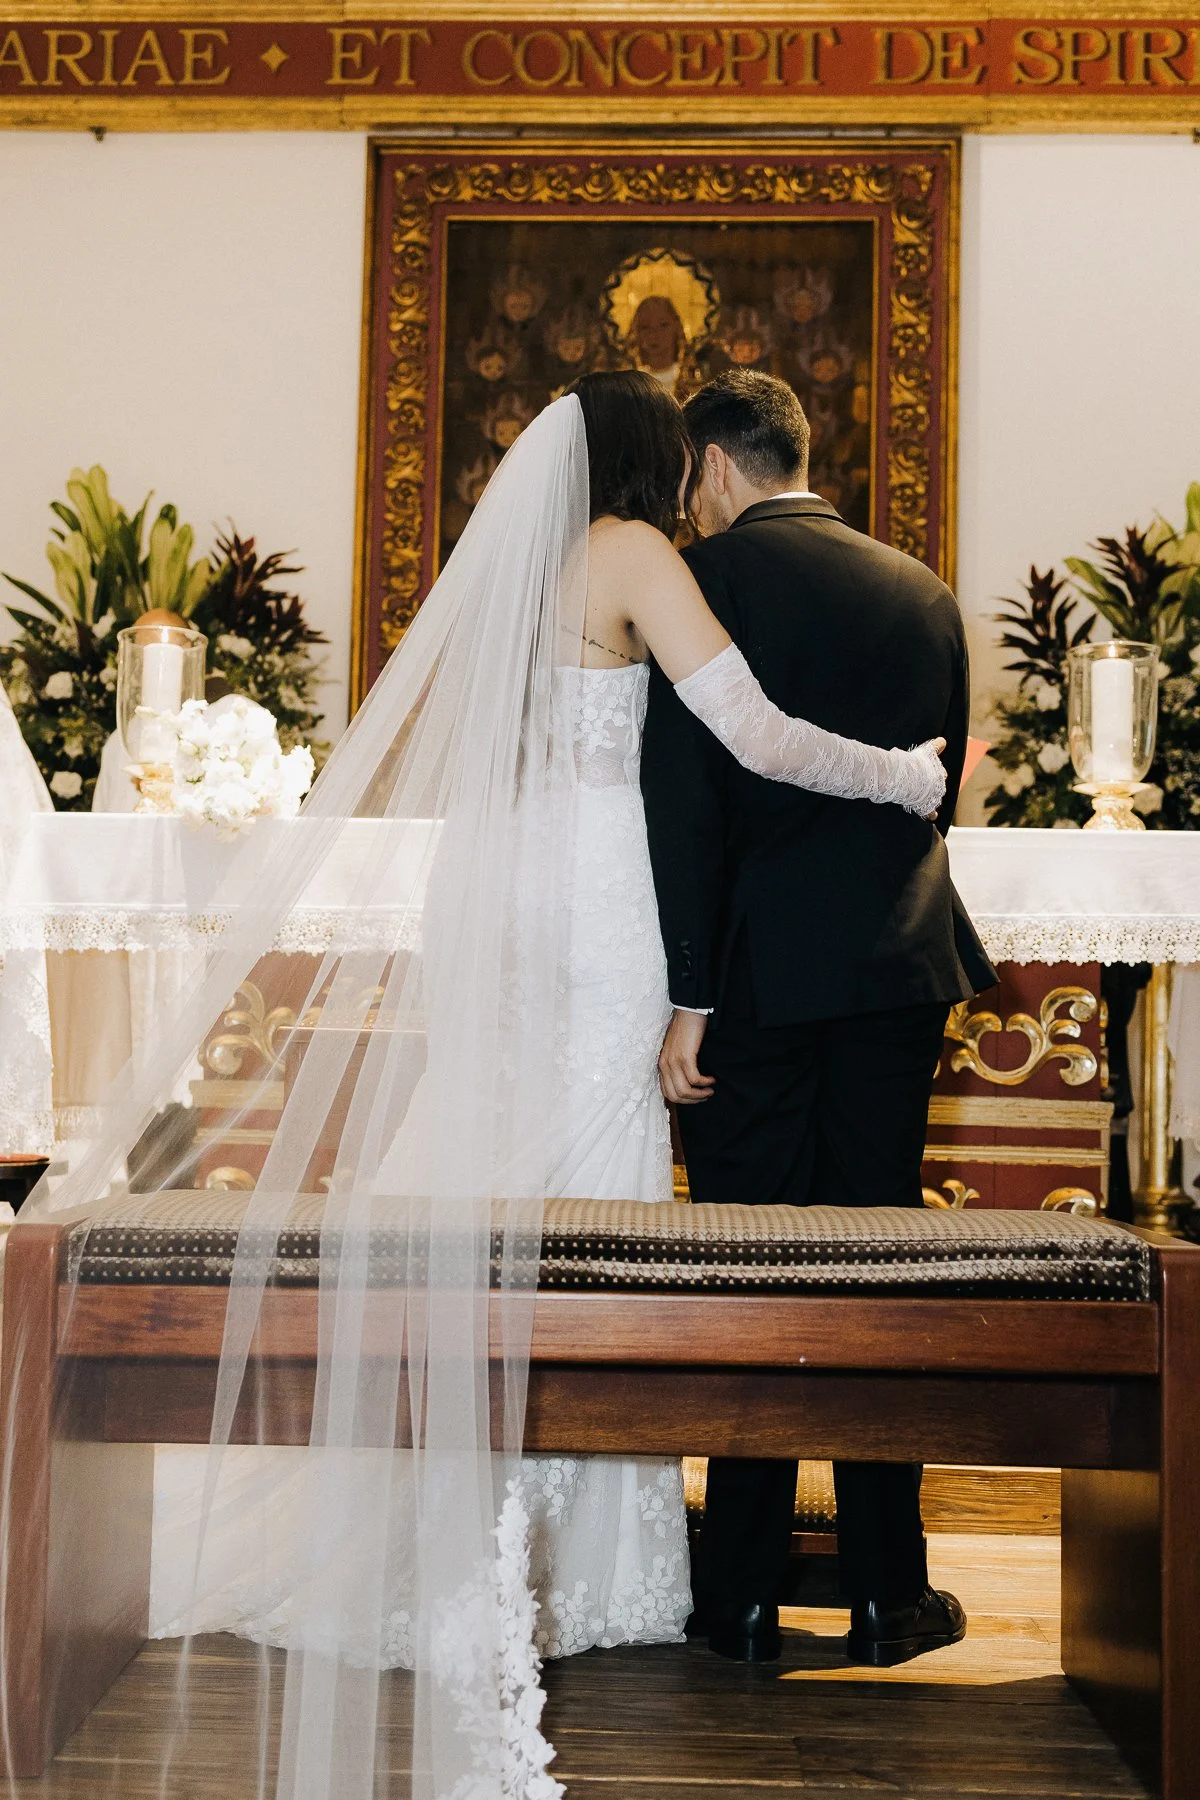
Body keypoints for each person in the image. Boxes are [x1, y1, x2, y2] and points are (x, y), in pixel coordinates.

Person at [7, 375, 945, 1800]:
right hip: (600, 902)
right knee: (596, 1178)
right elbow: (752, 733)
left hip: (509, 887)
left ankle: (452, 1506)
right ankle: (584, 1555)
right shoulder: (635, 552)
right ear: (659, 458)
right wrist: (901, 776)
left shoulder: (520, 575)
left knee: (498, 1165)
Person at [641, 368, 997, 1670]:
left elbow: (684, 810)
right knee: (876, 1271)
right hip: (896, 974)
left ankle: (739, 1593)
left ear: (712, 466)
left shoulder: (699, 586)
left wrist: (688, 991)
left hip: (752, 984)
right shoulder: (926, 592)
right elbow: (936, 791)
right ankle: (889, 1591)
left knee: (752, 1272)